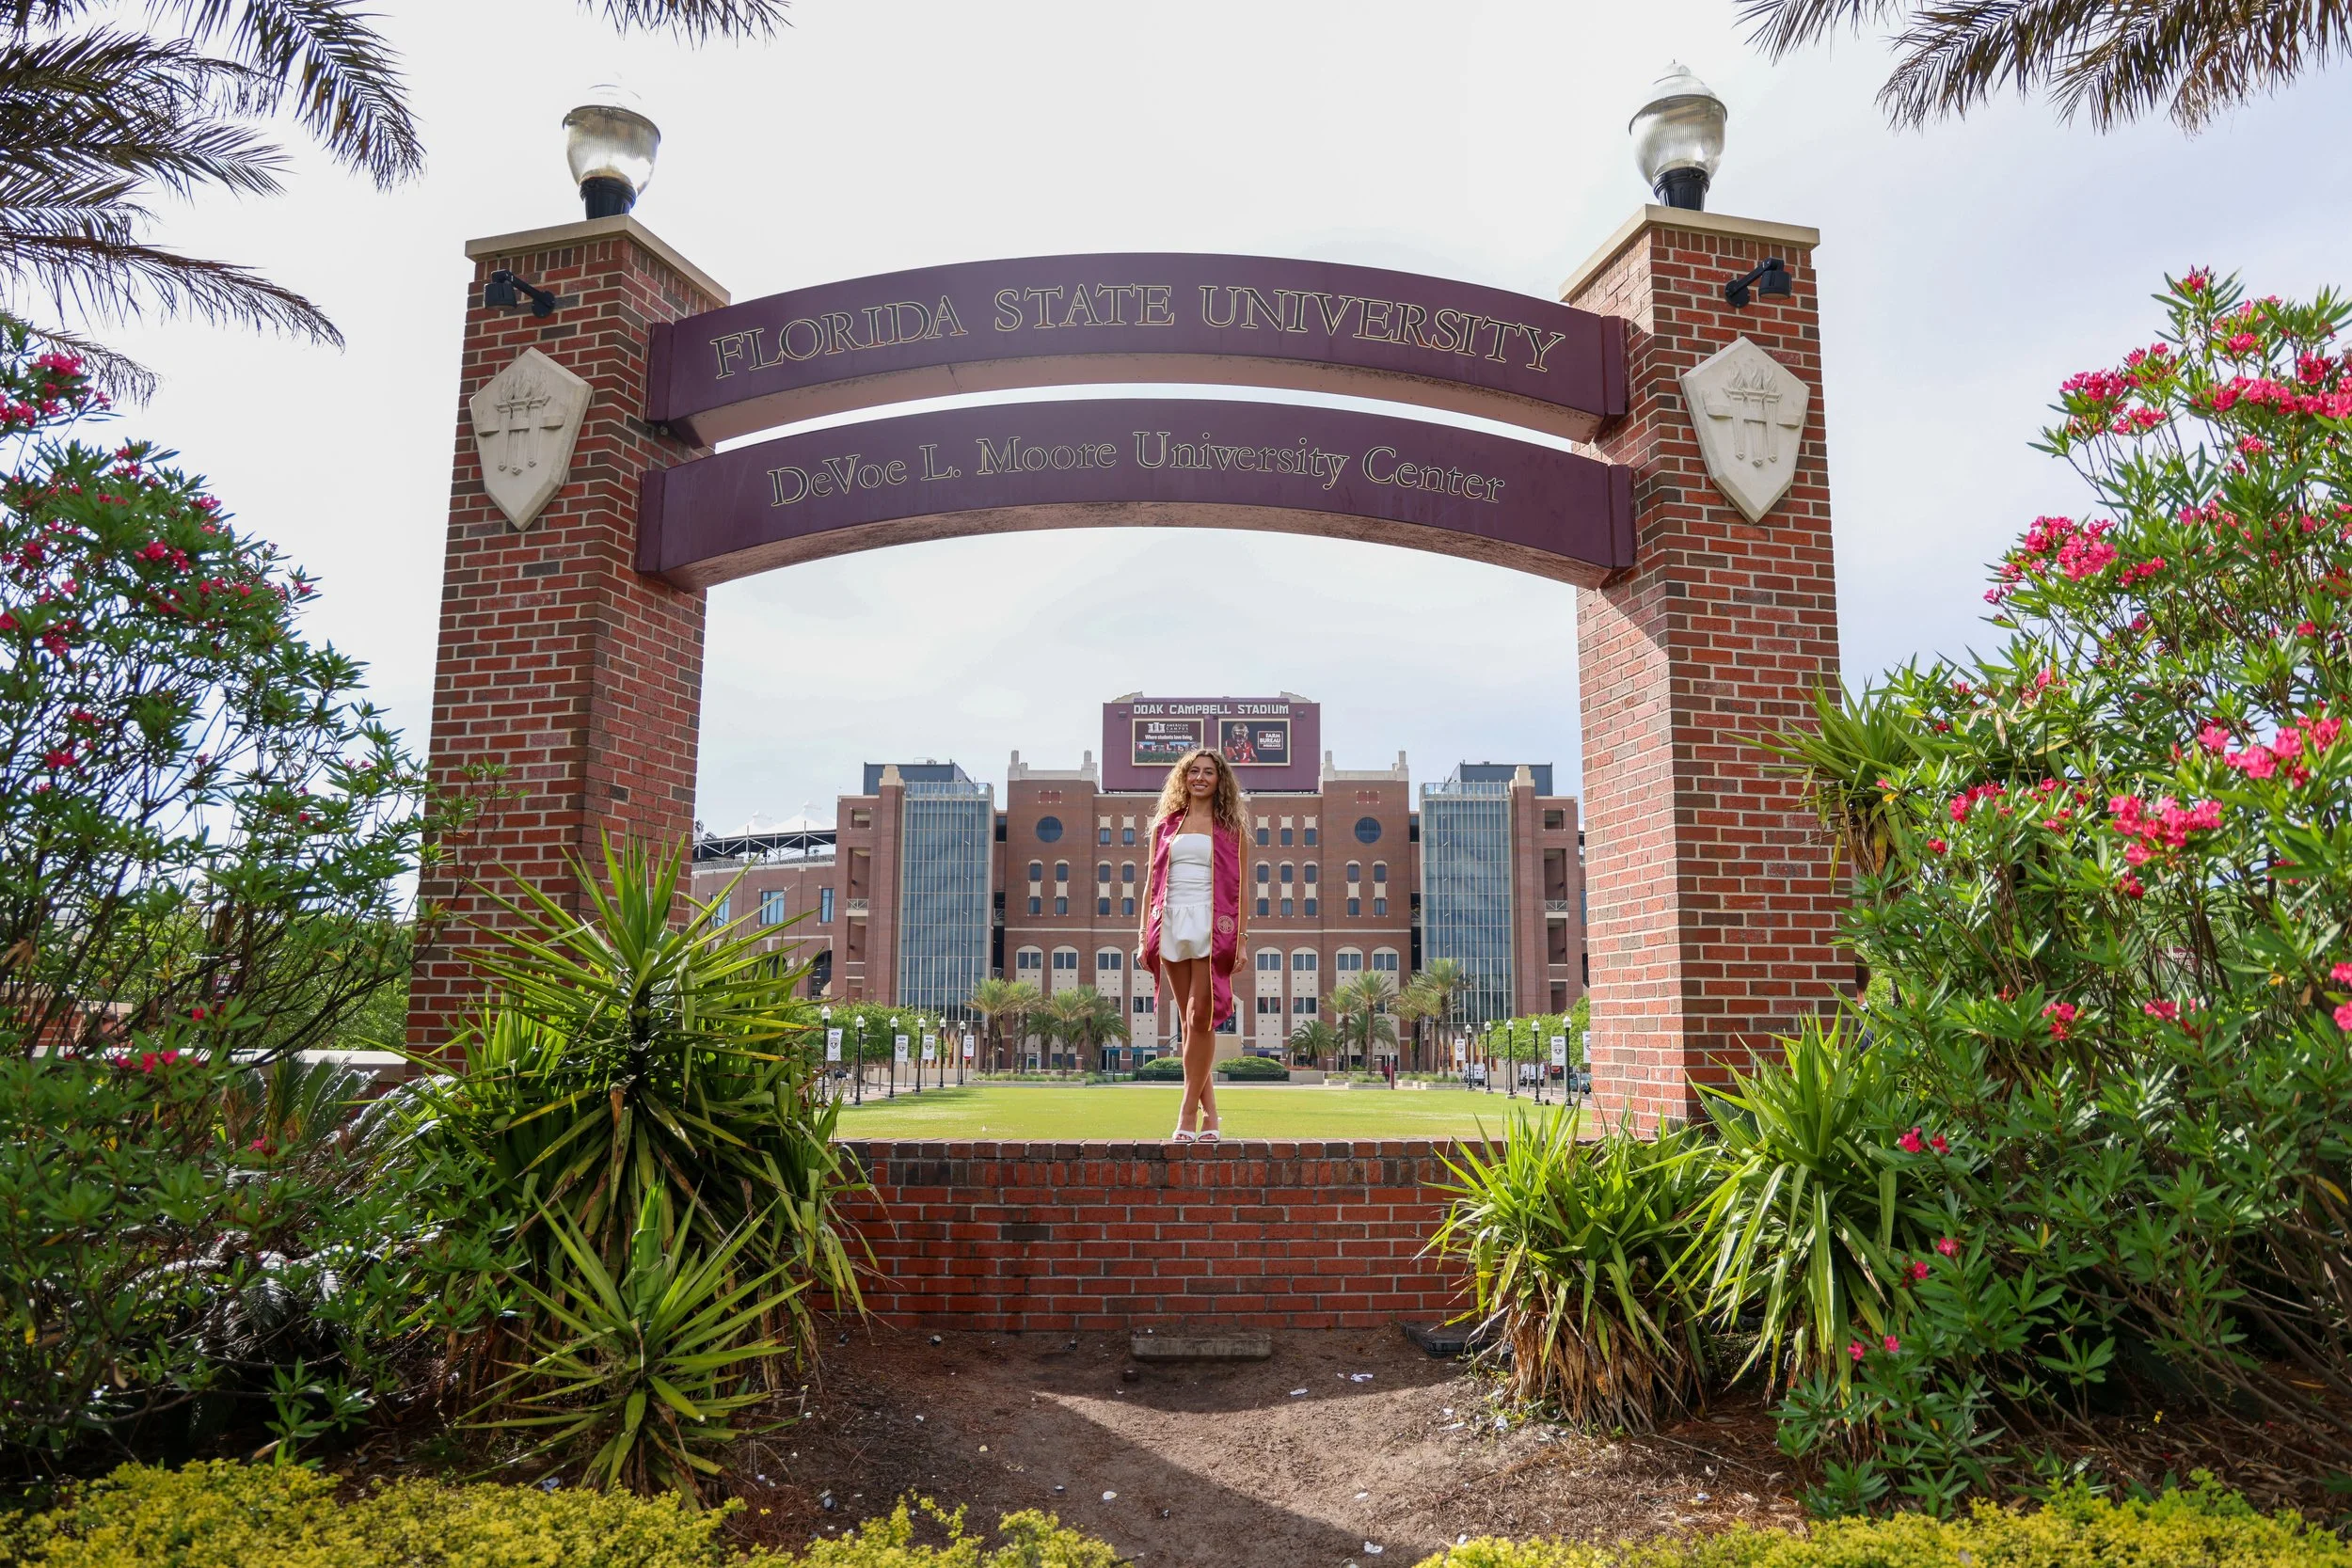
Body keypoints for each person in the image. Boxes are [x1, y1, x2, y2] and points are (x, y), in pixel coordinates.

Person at [1135, 747, 1248, 1142]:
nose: (1200, 777)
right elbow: (1151, 882)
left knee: (1201, 1017)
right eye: (1193, 771)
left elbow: (1241, 888)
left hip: (1210, 922)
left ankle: (1186, 1113)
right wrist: (1141, 934)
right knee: (1187, 1023)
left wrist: (1242, 939)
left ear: (1221, 781)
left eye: (1209, 772)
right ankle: (1212, 1115)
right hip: (1170, 921)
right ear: (1184, 777)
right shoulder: (1165, 827)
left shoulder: (1231, 831)